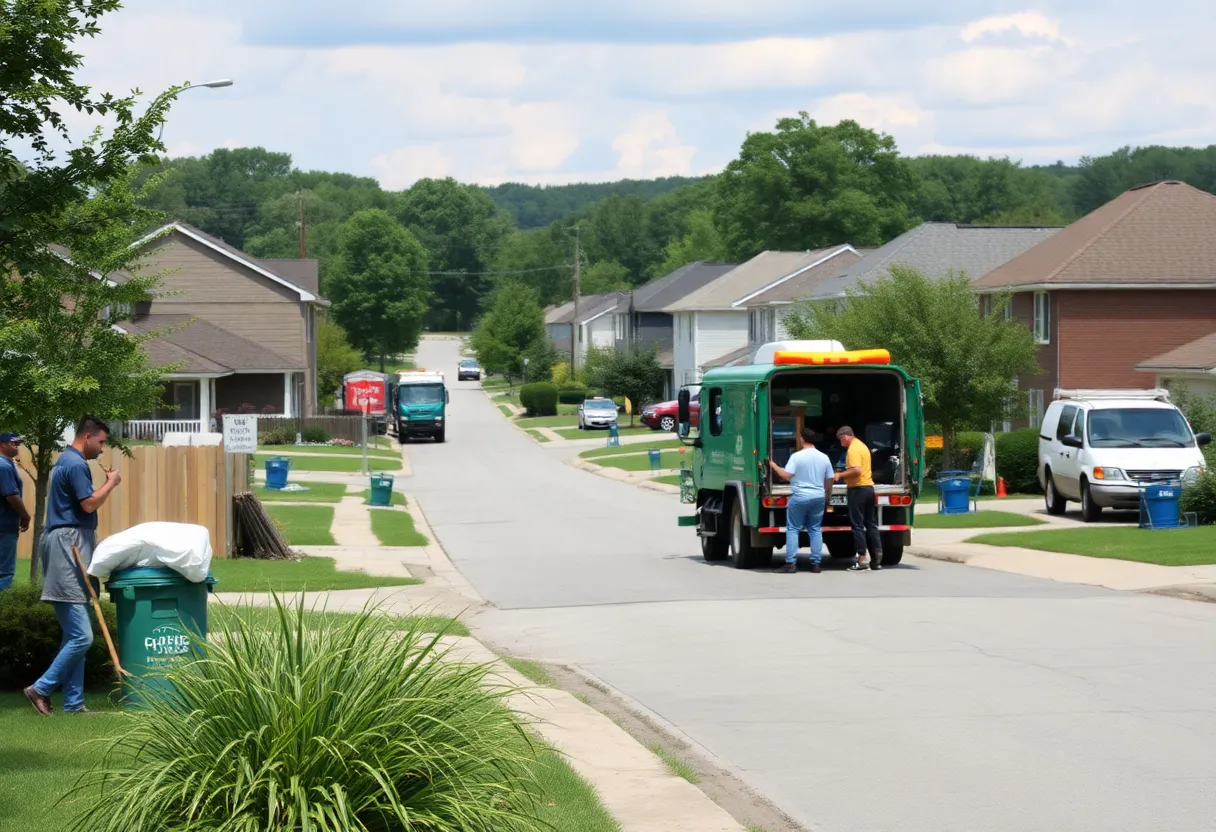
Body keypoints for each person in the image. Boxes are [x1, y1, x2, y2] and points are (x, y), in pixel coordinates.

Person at [24, 416, 121, 716]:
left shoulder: (65, 461)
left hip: (70, 541)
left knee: (73, 635)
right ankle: (40, 688)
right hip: (69, 545)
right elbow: (88, 504)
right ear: (87, 436)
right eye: (101, 442)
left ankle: (74, 703)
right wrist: (111, 483)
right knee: (82, 635)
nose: (102, 449)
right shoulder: (76, 464)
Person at [768, 428, 834, 574]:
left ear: (801, 439)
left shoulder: (796, 457)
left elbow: (786, 476)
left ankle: (790, 563)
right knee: (815, 529)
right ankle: (816, 564)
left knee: (793, 529)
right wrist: (826, 496)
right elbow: (830, 478)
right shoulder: (824, 457)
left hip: (800, 496)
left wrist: (773, 465)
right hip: (818, 496)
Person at [834, 425, 882, 571]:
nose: (840, 443)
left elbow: (856, 470)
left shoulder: (853, 449)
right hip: (869, 488)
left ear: (846, 437)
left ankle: (861, 560)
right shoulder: (862, 446)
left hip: (858, 490)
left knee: (857, 525)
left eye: (841, 440)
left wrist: (840, 475)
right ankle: (876, 558)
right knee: (871, 524)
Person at [0, 432, 30, 591]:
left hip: (5, 525)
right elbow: (11, 496)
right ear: (2, 444)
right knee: (4, 573)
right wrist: (25, 515)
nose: (17, 445)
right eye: (13, 442)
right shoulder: (3, 465)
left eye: (18, 443)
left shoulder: (8, 464)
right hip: (4, 526)